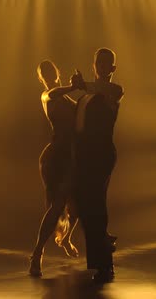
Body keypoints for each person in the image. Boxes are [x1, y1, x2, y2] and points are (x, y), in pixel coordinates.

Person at [72, 48, 124, 283]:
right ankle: (102, 252)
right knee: (86, 208)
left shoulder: (113, 91)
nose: (101, 67)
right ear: (94, 66)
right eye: (98, 63)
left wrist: (83, 85)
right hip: (86, 157)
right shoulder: (86, 95)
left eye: (106, 64)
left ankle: (105, 263)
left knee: (96, 207)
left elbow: (102, 89)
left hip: (101, 156)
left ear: (112, 68)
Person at [28, 60, 83, 277]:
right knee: (57, 205)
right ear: (42, 78)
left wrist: (84, 87)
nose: (48, 74)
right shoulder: (47, 96)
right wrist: (73, 86)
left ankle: (66, 238)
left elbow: (82, 109)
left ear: (57, 72)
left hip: (71, 157)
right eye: (44, 73)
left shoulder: (66, 97)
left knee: (76, 206)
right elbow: (53, 95)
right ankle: (37, 253)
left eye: (51, 70)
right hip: (56, 158)